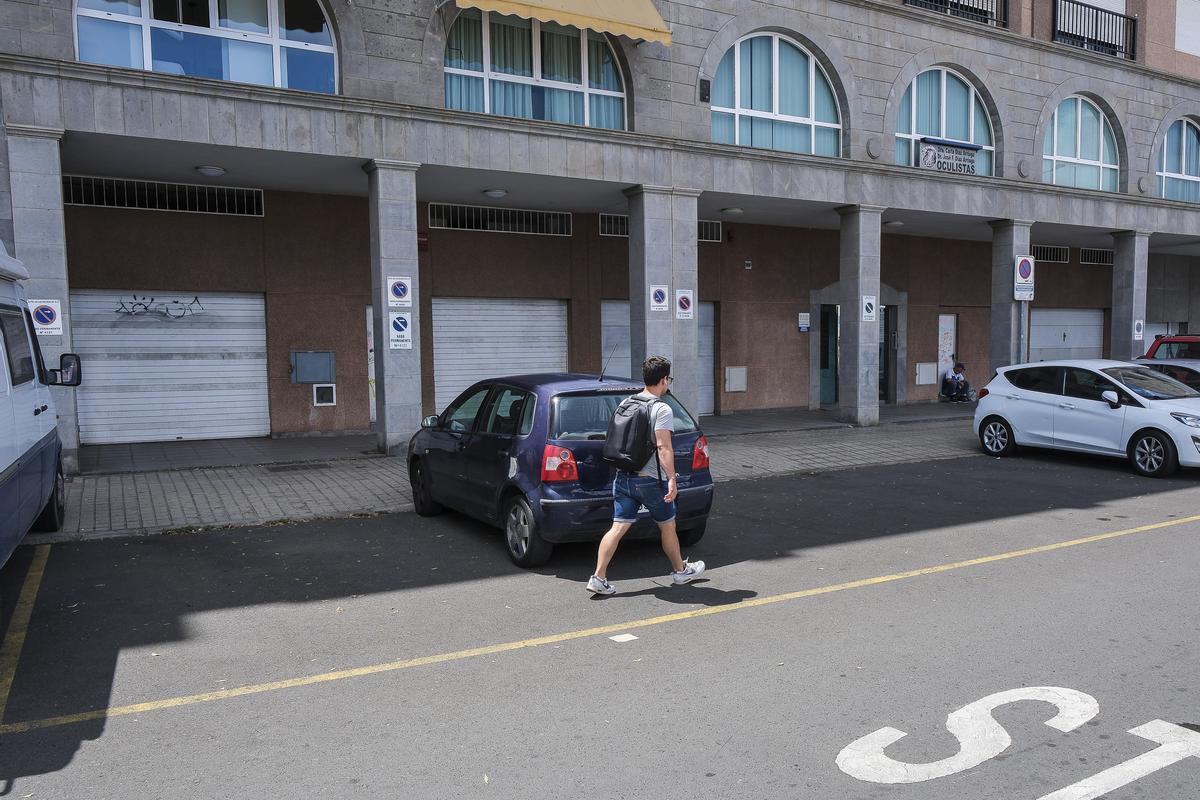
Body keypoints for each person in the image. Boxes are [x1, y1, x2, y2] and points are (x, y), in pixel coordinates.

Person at [586, 356, 705, 596]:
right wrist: (672, 479)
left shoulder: (626, 402)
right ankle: (680, 571)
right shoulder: (661, 408)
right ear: (663, 380)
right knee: (668, 526)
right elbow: (663, 447)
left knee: (617, 527)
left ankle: (598, 576)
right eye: (668, 379)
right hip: (650, 480)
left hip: (623, 476)